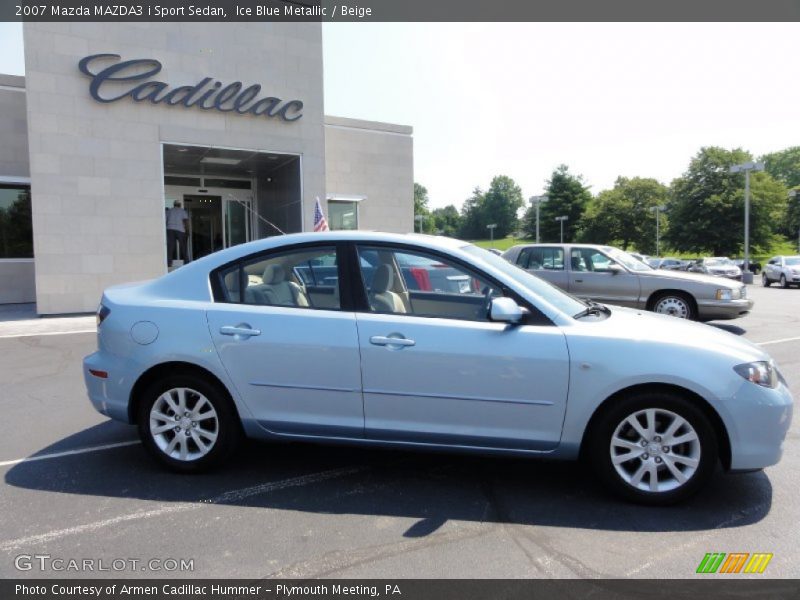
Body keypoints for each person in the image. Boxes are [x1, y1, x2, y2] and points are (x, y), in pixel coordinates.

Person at [166, 200, 189, 267]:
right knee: (183, 247)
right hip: (180, 230)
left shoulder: (169, 211)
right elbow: (185, 221)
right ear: (180, 205)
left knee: (170, 248)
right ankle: (186, 263)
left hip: (170, 229)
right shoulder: (182, 211)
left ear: (174, 205)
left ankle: (169, 264)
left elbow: (165, 220)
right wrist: (187, 231)